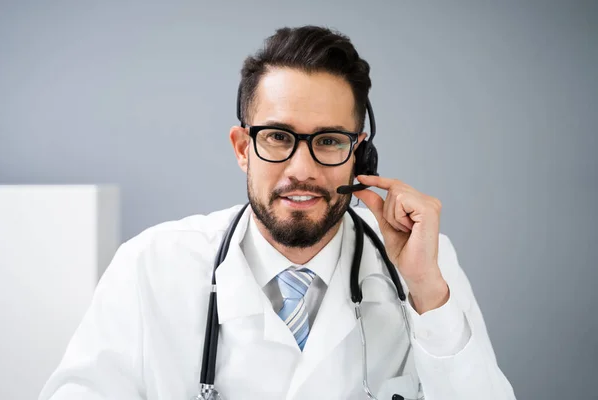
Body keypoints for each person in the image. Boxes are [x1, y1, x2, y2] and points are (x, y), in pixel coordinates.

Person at [39, 25, 516, 400]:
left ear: (360, 154)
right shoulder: (149, 265)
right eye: (277, 137)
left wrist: (428, 294)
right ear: (243, 147)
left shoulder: (423, 264)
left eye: (329, 140)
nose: (301, 168)